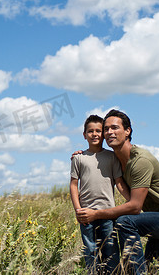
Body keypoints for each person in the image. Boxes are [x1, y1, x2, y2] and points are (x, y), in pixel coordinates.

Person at [75, 109, 159, 274]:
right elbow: (96, 158)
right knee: (156, 271)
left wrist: (96, 214)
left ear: (127, 131)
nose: (109, 132)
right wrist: (82, 154)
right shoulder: (116, 159)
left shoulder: (140, 161)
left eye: (115, 128)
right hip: (157, 217)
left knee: (125, 222)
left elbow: (135, 207)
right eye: (106, 129)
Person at [70, 115, 130, 274]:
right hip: (86, 215)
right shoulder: (78, 158)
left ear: (103, 134)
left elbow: (119, 182)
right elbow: (74, 185)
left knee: (111, 252)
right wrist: (78, 209)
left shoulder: (111, 157)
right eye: (90, 131)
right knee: (90, 252)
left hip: (107, 214)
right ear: (84, 135)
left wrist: (131, 202)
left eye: (98, 131)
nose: (94, 134)